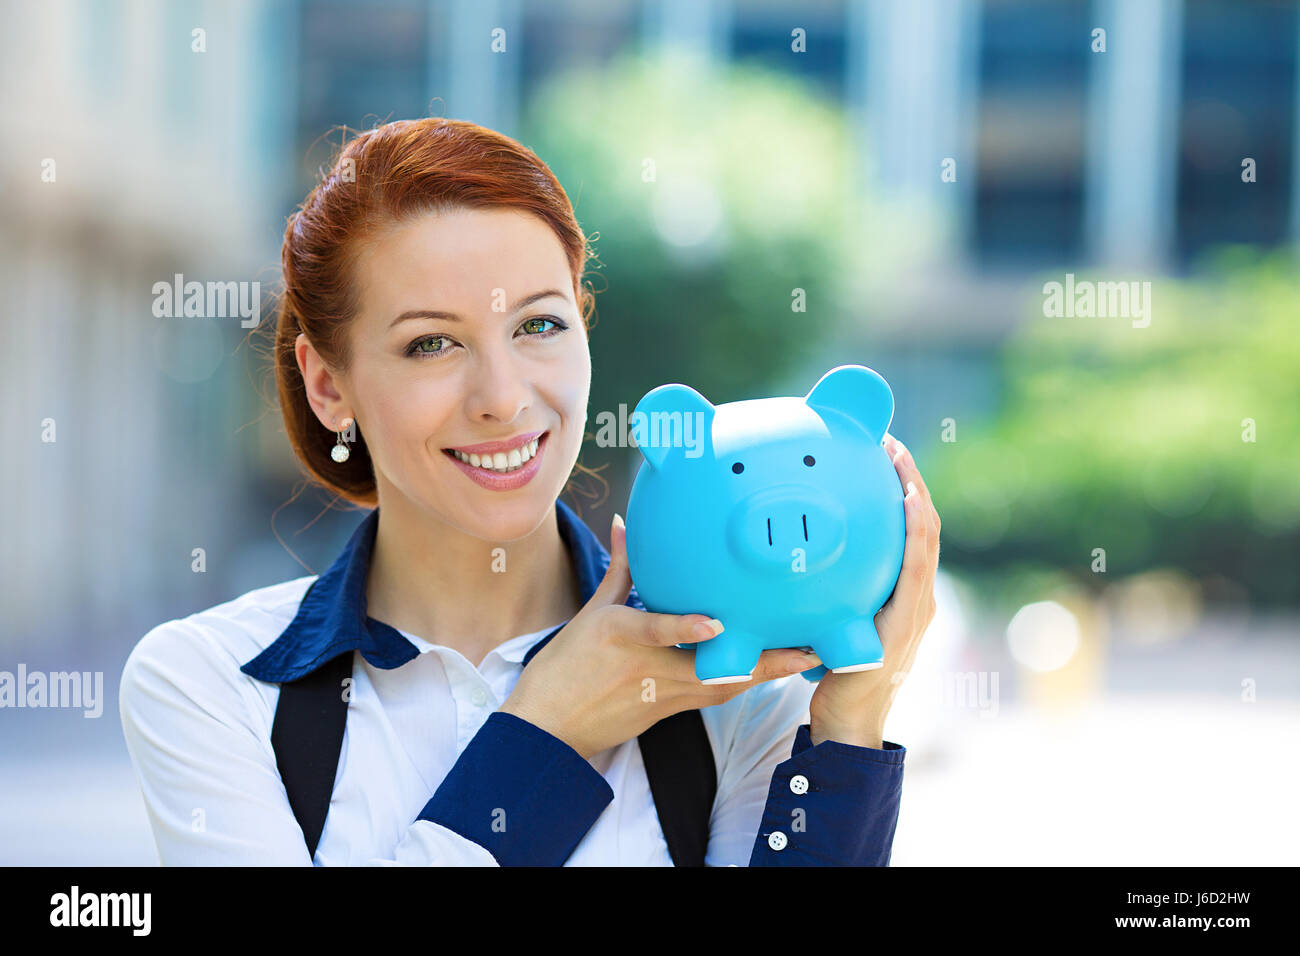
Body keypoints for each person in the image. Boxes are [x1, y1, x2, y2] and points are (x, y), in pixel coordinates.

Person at [118, 117, 942, 866]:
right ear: (329, 386)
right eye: (431, 343)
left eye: (538, 325)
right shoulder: (210, 686)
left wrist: (849, 729)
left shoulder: (732, 691)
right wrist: (547, 735)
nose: (503, 397)